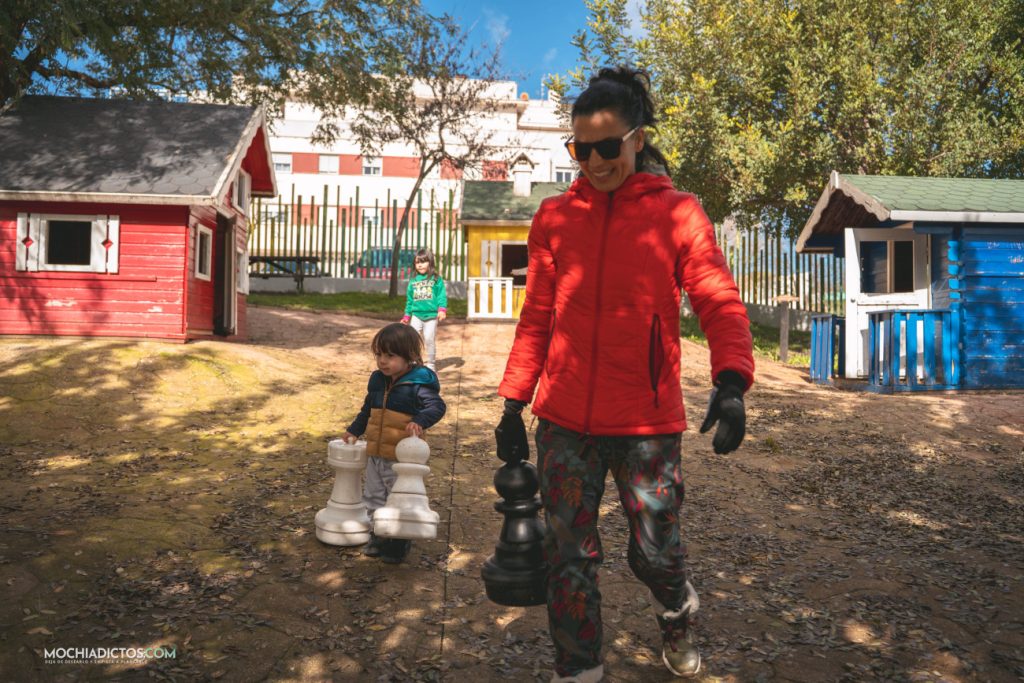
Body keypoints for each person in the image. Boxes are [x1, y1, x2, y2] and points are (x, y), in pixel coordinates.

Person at [495, 66, 755, 682]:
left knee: (656, 553)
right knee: (569, 557)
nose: (593, 161)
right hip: (563, 420)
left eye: (607, 146)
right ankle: (578, 669)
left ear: (637, 139)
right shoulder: (555, 218)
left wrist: (732, 378)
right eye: (579, 149)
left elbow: (716, 295)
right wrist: (513, 400)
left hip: (645, 422)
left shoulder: (679, 214)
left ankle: (677, 608)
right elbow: (536, 315)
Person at [344, 322, 446, 564]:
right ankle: (379, 534)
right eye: (379, 355)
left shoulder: (418, 385)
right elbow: (367, 410)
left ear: (409, 356)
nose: (382, 361)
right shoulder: (378, 382)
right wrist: (354, 431)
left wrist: (420, 420)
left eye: (390, 356)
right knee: (373, 496)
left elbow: (437, 406)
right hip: (376, 453)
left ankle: (399, 540)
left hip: (401, 460)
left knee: (398, 498)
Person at [401, 247, 448, 371]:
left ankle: (431, 364)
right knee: (412, 338)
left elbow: (441, 296)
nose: (420, 265)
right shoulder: (413, 281)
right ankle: (414, 361)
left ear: (430, 262)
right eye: (417, 262)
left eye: (423, 261)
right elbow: (410, 300)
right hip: (416, 315)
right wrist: (407, 316)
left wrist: (442, 309)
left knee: (428, 339)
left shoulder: (436, 279)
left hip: (431, 316)